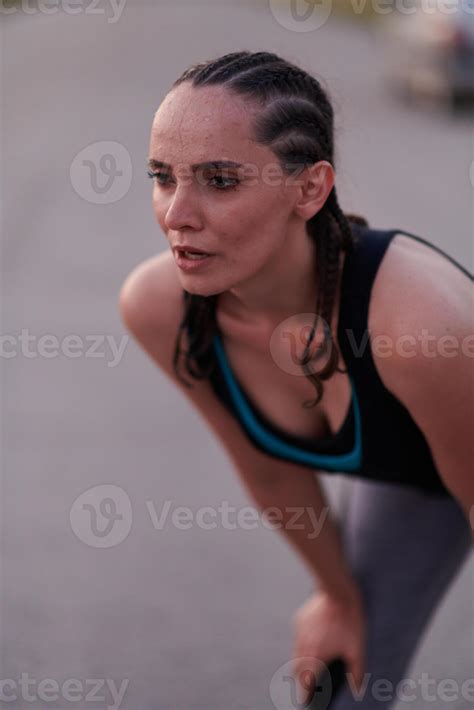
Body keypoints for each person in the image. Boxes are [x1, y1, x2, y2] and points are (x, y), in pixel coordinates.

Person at [119, 51, 473, 709]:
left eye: (220, 180)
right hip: (418, 474)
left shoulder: (420, 328)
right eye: (163, 177)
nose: (177, 215)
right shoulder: (159, 307)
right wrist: (337, 599)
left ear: (309, 190)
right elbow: (270, 472)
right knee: (343, 689)